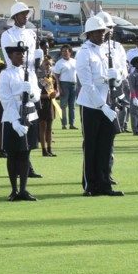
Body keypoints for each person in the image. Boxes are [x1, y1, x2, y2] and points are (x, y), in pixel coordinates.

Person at [75, 14, 125, 197]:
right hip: (91, 105)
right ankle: (90, 184)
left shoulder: (108, 50)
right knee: (91, 145)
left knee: (106, 145)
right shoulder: (84, 53)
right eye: (98, 32)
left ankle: (105, 184)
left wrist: (117, 76)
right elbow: (87, 84)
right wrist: (102, 106)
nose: (102, 34)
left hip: (109, 102)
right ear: (89, 34)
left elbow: (121, 72)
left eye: (103, 31)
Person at [0, 3, 43, 178]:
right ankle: (19, 164)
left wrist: (38, 59)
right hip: (15, 77)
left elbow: (32, 61)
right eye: (22, 14)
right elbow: (11, 57)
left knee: (31, 120)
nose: (25, 16)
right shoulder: (7, 35)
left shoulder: (31, 33)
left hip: (30, 78)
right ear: (15, 17)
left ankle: (27, 165)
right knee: (17, 119)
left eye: (26, 14)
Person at [0, 39, 40, 200]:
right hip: (12, 118)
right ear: (10, 56)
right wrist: (15, 121)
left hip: (29, 116)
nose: (21, 56)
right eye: (17, 54)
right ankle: (14, 190)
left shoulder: (30, 73)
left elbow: (37, 96)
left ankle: (23, 189)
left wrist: (30, 93)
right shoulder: (5, 74)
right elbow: (5, 98)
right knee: (13, 154)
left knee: (25, 154)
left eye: (23, 54)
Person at [52, 44, 78, 130]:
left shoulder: (74, 61)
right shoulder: (59, 63)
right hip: (64, 84)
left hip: (73, 84)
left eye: (66, 51)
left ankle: (72, 124)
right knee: (63, 105)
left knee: (72, 106)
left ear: (70, 52)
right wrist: (59, 87)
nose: (64, 53)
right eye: (62, 51)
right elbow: (56, 76)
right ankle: (64, 124)